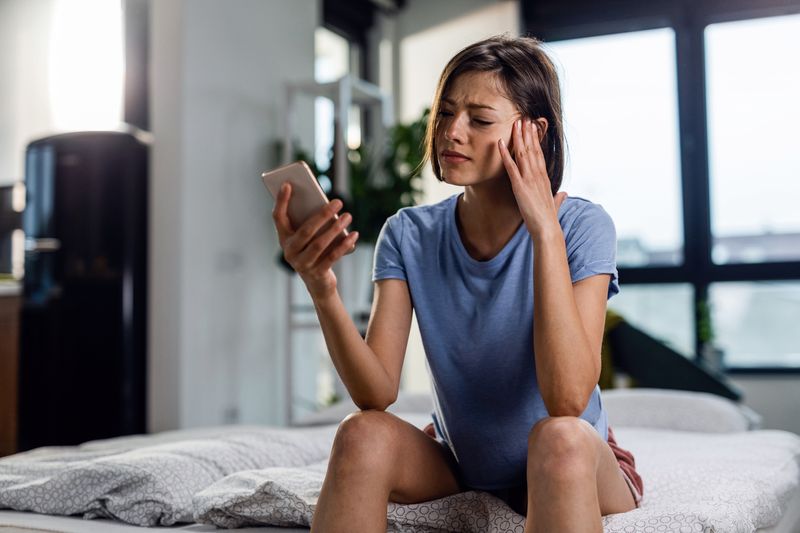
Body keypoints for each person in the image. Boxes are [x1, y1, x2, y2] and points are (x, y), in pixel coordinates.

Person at [272, 35, 643, 533]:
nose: (452, 131)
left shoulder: (582, 226)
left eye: (480, 119)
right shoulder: (407, 233)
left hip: (574, 464)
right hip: (462, 465)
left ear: (532, 132)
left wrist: (544, 233)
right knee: (361, 433)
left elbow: (568, 400)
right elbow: (376, 392)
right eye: (445, 113)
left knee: (561, 439)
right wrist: (322, 287)